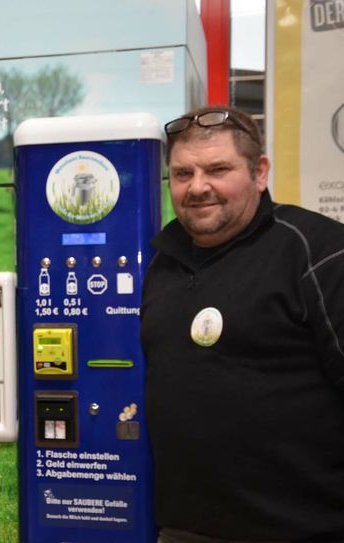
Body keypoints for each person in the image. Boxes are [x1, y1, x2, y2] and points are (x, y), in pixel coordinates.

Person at [141, 105, 344, 542]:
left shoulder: (317, 252)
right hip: (184, 531)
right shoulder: (163, 264)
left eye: (217, 169)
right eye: (182, 174)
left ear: (260, 172)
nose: (198, 187)